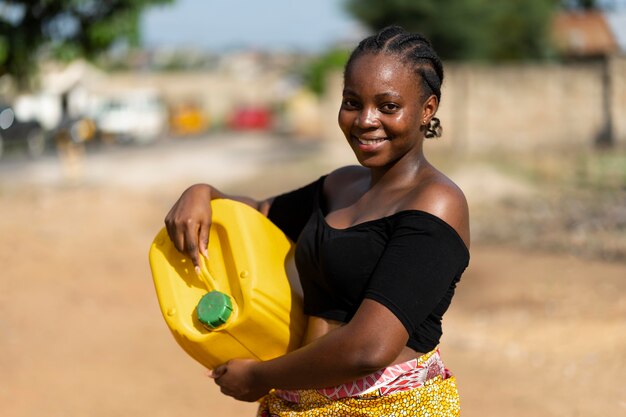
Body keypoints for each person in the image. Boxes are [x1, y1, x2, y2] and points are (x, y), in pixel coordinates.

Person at [165, 25, 470, 416]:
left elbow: (369, 348)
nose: (365, 120)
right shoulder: (341, 184)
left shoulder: (437, 202)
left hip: (385, 408)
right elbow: (256, 216)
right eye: (352, 102)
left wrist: (259, 378)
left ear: (427, 109)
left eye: (388, 106)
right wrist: (202, 193)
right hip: (295, 401)